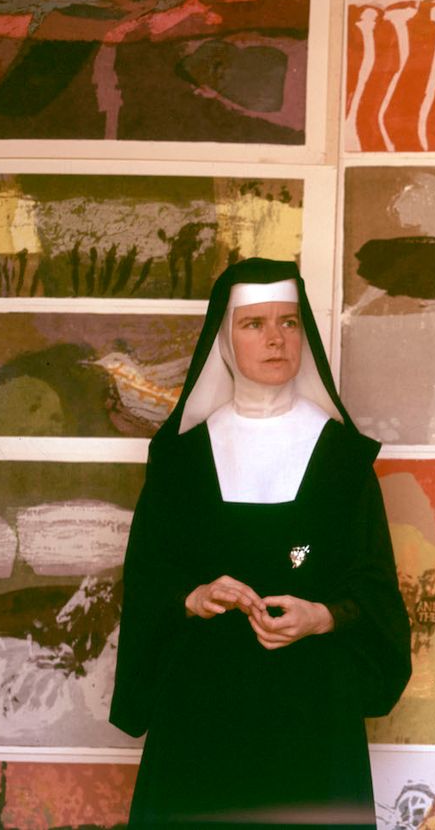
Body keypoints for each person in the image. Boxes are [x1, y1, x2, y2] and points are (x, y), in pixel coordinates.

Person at [110, 258, 411, 828]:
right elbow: (149, 576)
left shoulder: (344, 461)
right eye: (254, 324)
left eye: (289, 322)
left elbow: (374, 586)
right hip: (200, 717)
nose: (276, 339)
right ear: (225, 339)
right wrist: (193, 597)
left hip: (313, 717)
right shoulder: (178, 461)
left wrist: (322, 615)